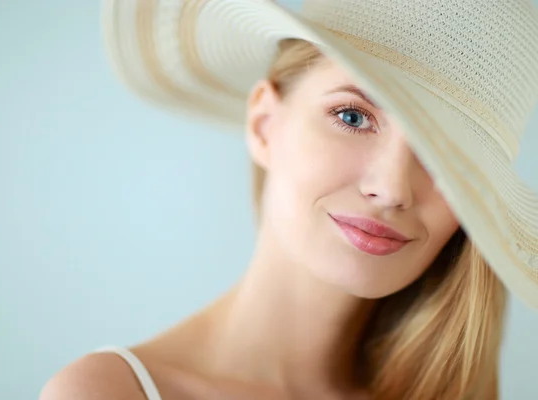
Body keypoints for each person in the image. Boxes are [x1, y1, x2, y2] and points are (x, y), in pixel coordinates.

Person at [40, 0, 538, 399]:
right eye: (352, 117)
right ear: (264, 124)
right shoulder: (109, 393)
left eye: (445, 155)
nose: (392, 188)